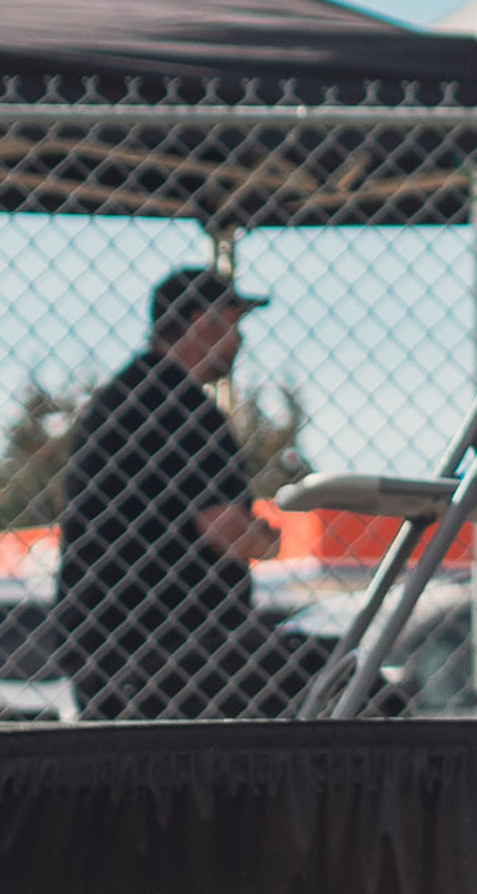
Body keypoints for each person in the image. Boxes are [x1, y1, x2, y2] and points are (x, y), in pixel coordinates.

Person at [57, 266, 317, 720]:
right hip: (177, 652)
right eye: (233, 324)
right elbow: (226, 530)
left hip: (107, 649)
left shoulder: (119, 397)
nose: (240, 341)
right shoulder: (187, 411)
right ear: (203, 322)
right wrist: (267, 538)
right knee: (324, 668)